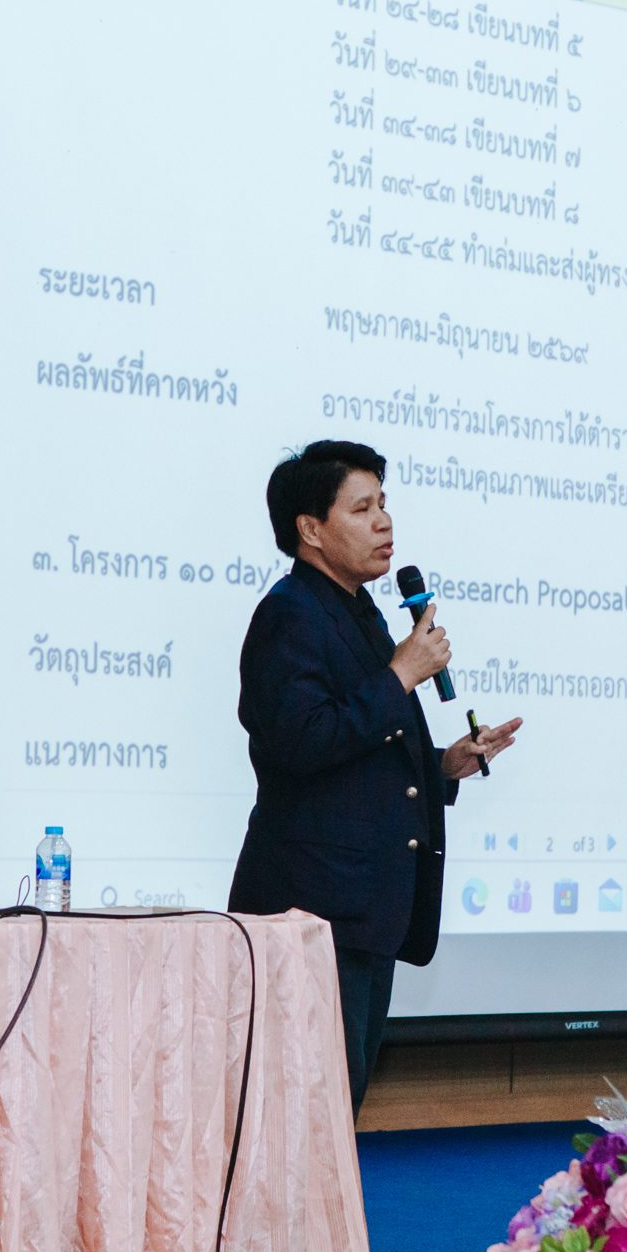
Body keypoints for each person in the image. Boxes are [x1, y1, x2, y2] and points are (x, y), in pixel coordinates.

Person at [228, 440, 522, 1113]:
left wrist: (443, 765)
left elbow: (358, 752)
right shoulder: (289, 615)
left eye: (384, 504)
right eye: (362, 509)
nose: (384, 521)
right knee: (305, 1117)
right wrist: (400, 674)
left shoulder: (357, 613)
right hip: (311, 914)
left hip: (361, 912)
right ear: (311, 529)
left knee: (335, 1112)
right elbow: (300, 742)